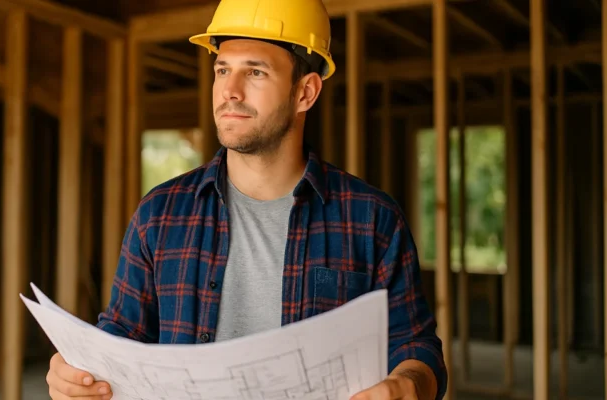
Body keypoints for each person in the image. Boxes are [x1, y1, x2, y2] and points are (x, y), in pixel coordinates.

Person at [45, 0, 447, 399]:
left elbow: (414, 344)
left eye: (255, 71)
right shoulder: (160, 214)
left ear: (305, 92)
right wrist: (79, 376)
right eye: (222, 70)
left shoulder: (371, 218)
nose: (229, 91)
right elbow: (124, 335)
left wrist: (408, 384)